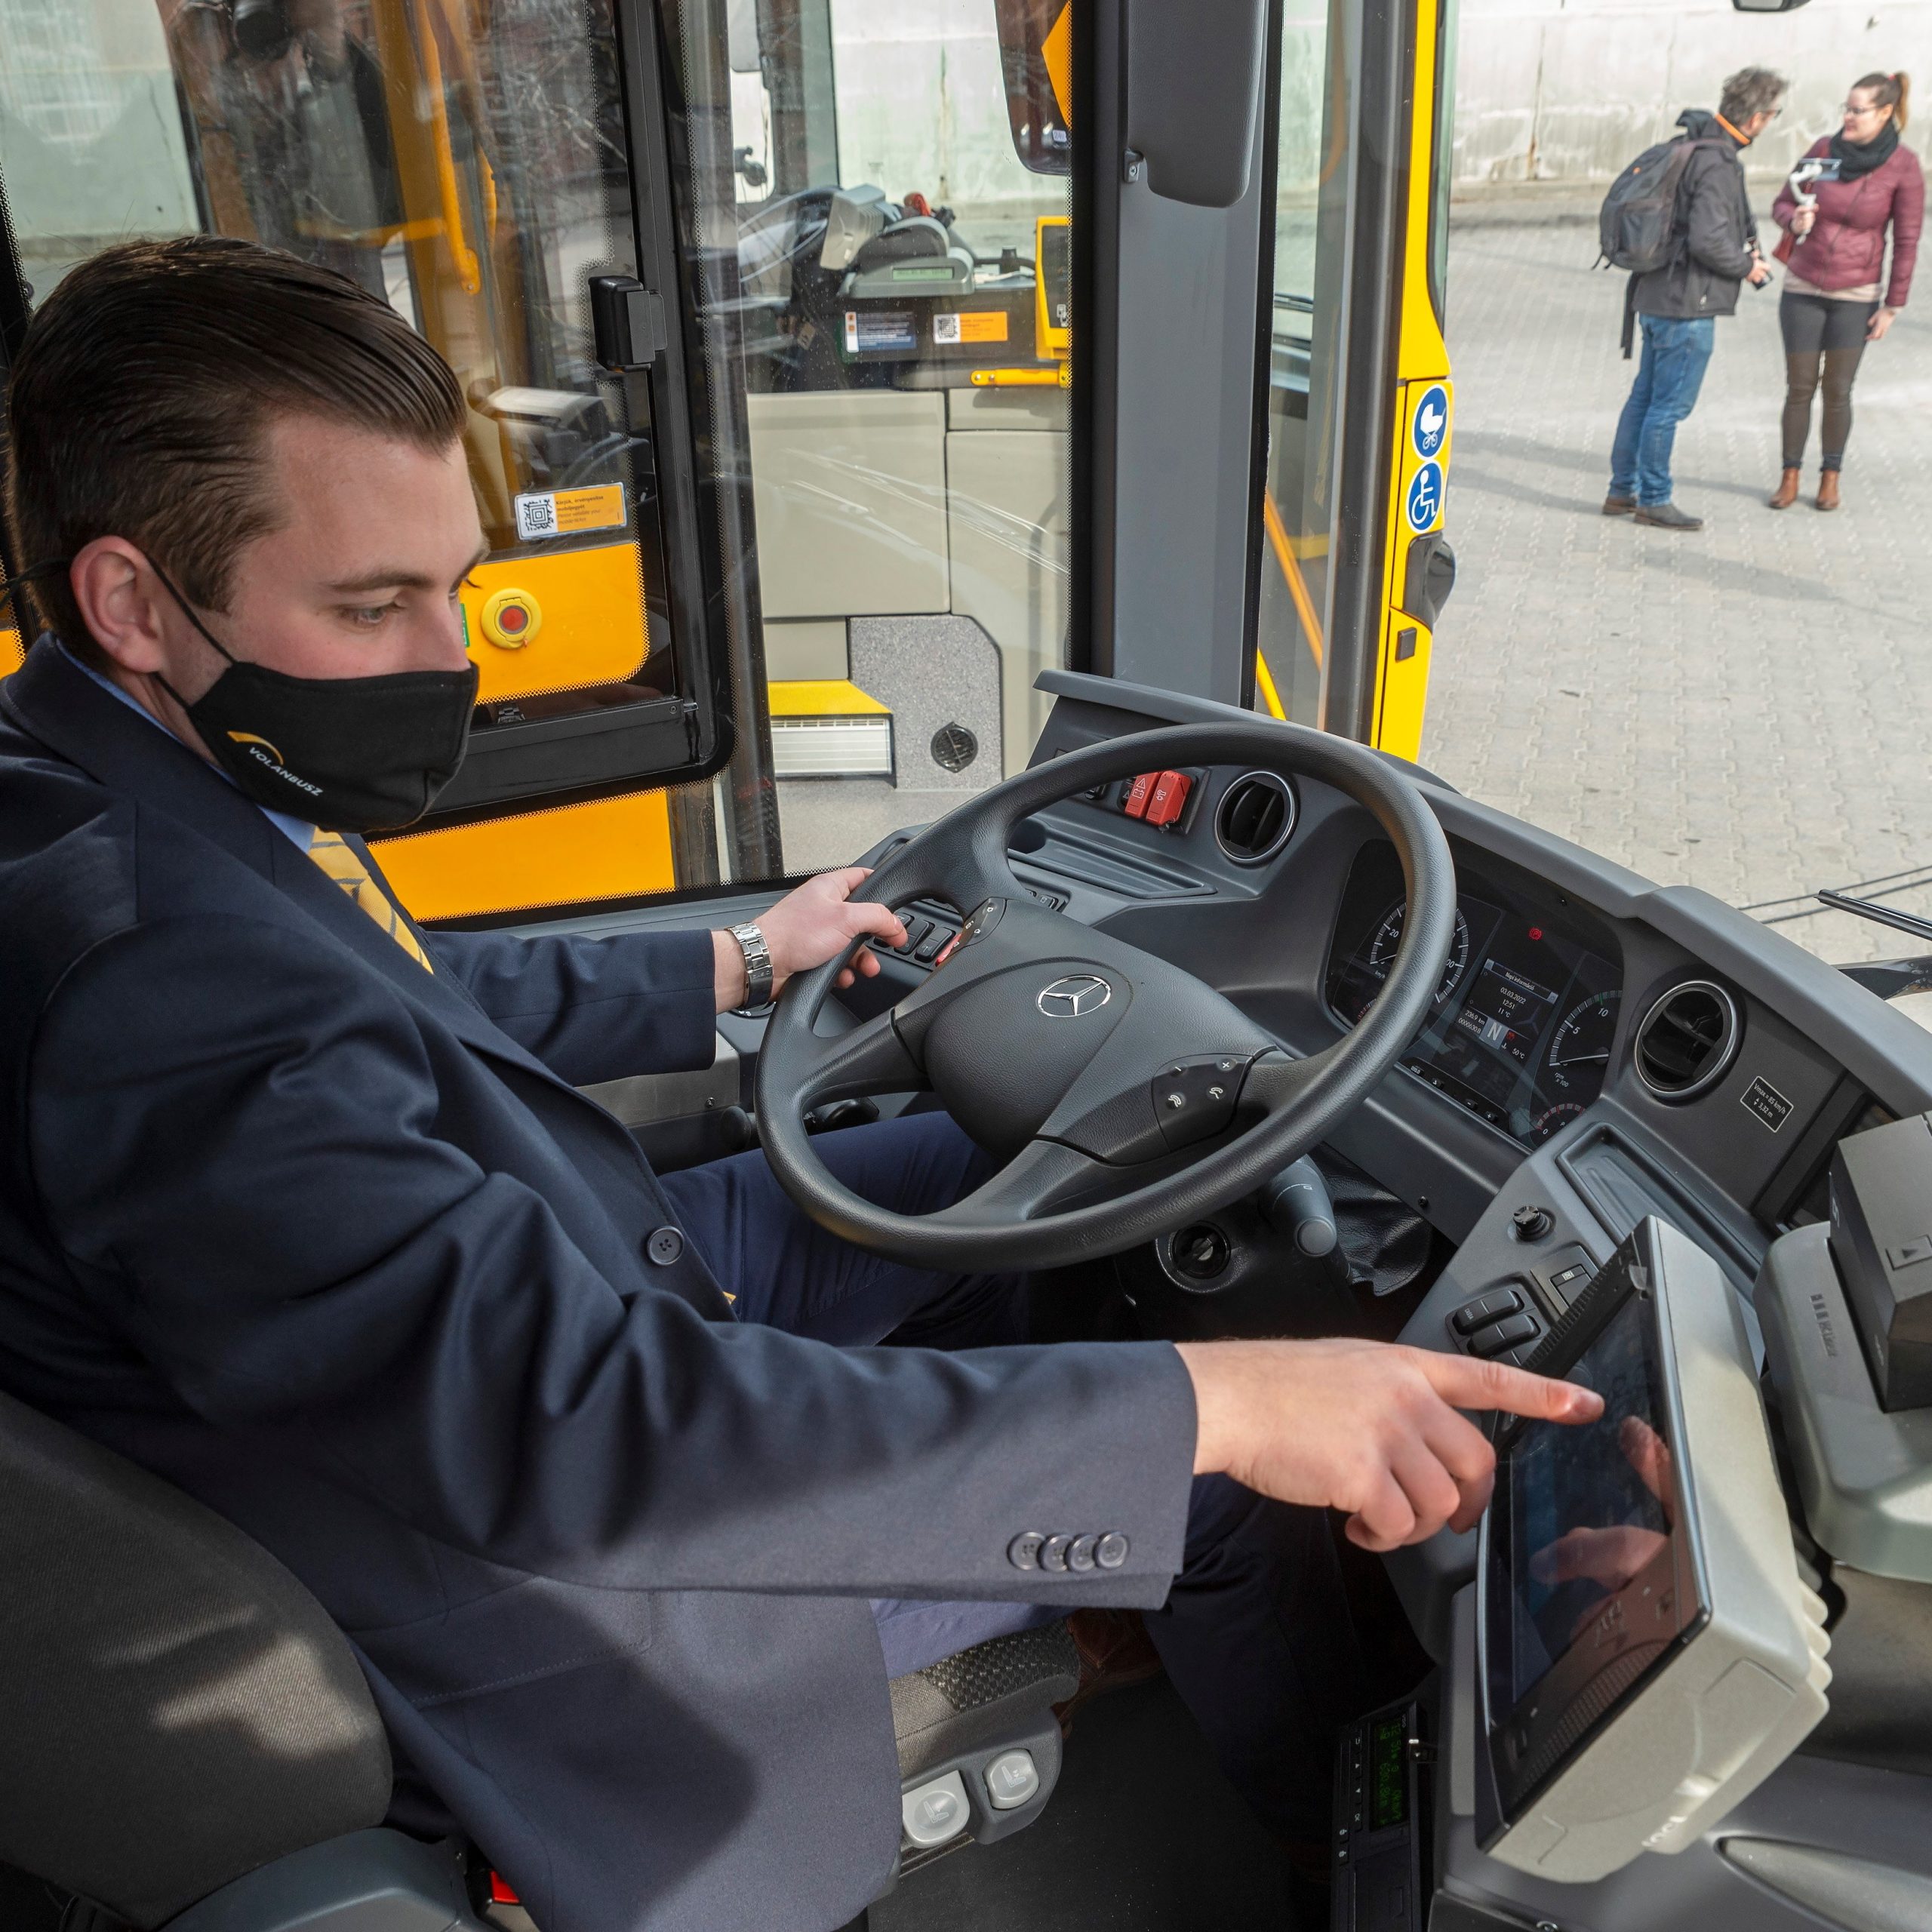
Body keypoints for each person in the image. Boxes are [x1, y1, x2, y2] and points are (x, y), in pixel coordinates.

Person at [0, 237, 1600, 1932]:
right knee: (1201, 1473)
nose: (447, 651)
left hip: (531, 1304)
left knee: (956, 1168)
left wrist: (732, 963)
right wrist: (1226, 1402)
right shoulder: (157, 990)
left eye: (454, 585)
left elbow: (391, 997)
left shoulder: (110, 793)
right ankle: (1348, 1866)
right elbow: (597, 1431)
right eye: (371, 604)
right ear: (129, 598)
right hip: (559, 1593)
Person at [1605, 67, 1787, 532]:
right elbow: (1709, 239)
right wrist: (1749, 267)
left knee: (1644, 398)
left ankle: (1621, 490)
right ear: (1758, 118)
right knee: (1668, 407)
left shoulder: (1689, 144)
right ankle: (1655, 497)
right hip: (1688, 306)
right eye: (1773, 115)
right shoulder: (1718, 162)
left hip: (1654, 296)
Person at [1768, 72, 1922, 512]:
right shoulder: (1822, 149)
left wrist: (1894, 305)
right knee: (1799, 387)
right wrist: (1792, 220)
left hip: (1857, 293)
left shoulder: (1904, 165)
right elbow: (1783, 201)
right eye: (1846, 109)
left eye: (1858, 110)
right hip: (1803, 285)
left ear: (1886, 112)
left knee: (1838, 389)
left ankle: (1830, 478)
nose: (1848, 118)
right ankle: (1789, 475)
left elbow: (1908, 239)